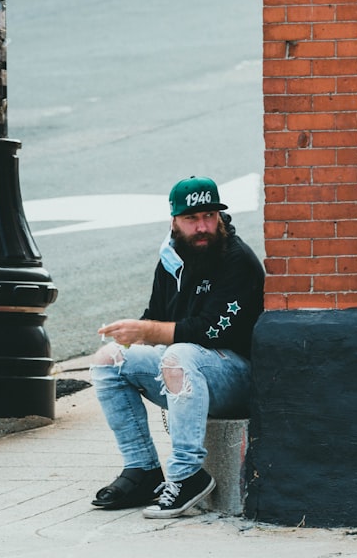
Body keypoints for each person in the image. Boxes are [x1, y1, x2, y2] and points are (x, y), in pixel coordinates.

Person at [89, 176, 265, 518]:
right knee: (110, 359)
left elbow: (211, 331)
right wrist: (133, 334)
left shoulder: (237, 260)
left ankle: (187, 476)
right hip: (188, 370)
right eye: (191, 219)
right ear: (174, 221)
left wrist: (149, 330)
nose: (202, 227)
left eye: (209, 216)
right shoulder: (171, 261)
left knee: (178, 355)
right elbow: (155, 318)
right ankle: (142, 471)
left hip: (238, 376)